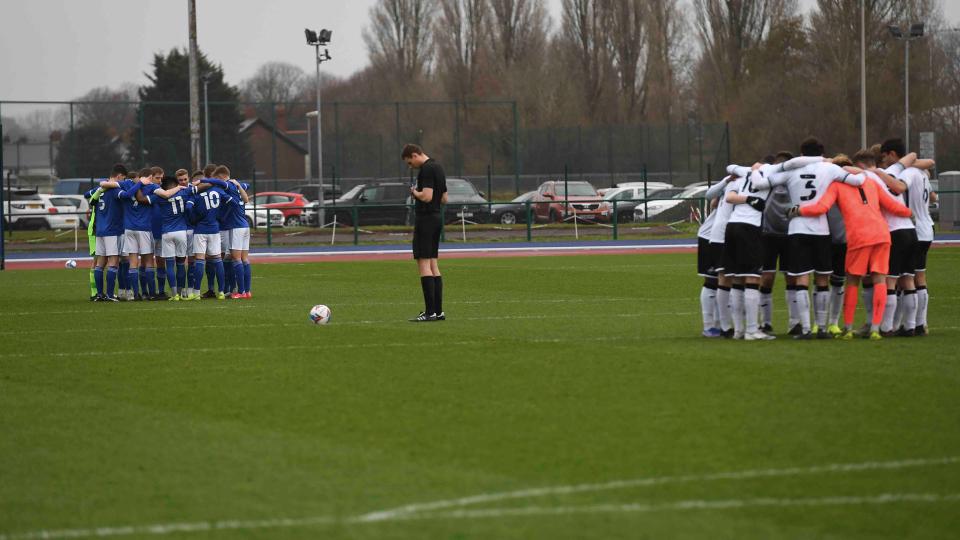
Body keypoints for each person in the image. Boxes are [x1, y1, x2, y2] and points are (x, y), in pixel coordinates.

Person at [792, 149, 912, 340]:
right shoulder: (870, 181)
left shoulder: (837, 186)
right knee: (880, 280)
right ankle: (875, 328)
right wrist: (908, 213)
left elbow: (821, 207)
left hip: (859, 237)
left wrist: (796, 211)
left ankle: (847, 328)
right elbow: (892, 205)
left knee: (853, 280)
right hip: (881, 235)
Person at [755, 137, 865, 339]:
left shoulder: (791, 171)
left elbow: (761, 183)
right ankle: (822, 328)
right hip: (821, 230)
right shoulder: (830, 169)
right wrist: (834, 165)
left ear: (802, 153)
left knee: (801, 278)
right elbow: (859, 180)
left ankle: (805, 328)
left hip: (797, 228)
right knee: (823, 279)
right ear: (821, 152)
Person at [402, 144, 448, 322]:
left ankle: (430, 312)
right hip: (437, 218)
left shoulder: (426, 169)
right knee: (433, 265)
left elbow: (427, 196)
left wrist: (414, 192)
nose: (410, 166)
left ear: (414, 155)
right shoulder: (439, 167)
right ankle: (438, 311)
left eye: (409, 162)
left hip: (426, 219)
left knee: (423, 264)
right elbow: (444, 198)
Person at [85, 163, 128, 302]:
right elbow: (127, 194)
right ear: (119, 176)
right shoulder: (115, 190)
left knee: (100, 263)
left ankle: (99, 295)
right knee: (113, 262)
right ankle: (109, 295)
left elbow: (88, 196)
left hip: (100, 231)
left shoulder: (100, 189)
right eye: (123, 178)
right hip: (112, 230)